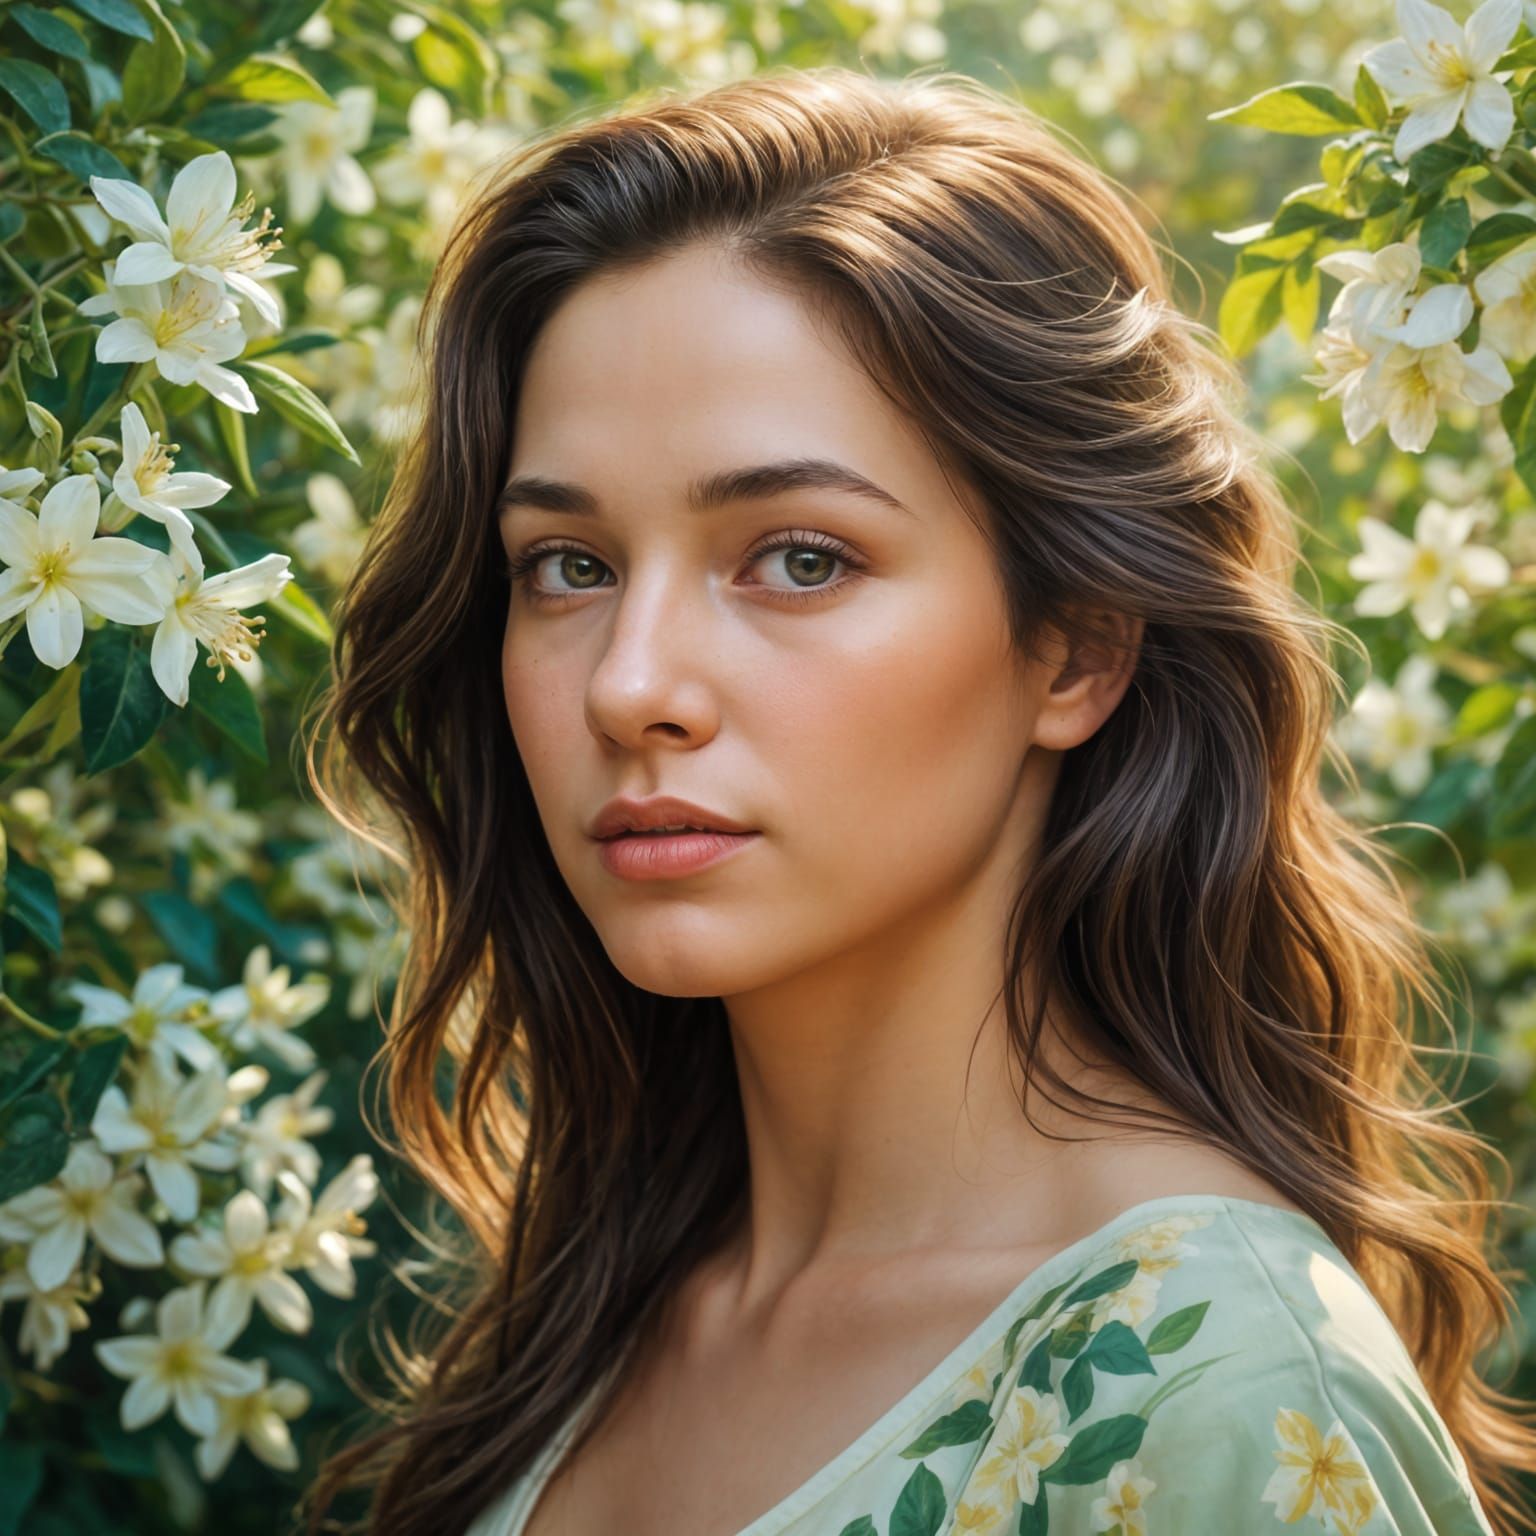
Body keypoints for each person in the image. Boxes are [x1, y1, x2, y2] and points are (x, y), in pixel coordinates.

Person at [297, 65, 1536, 1536]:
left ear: (1074, 646)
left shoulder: (1211, 1389)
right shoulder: (585, 1325)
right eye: (569, 565)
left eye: (800, 557)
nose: (630, 687)